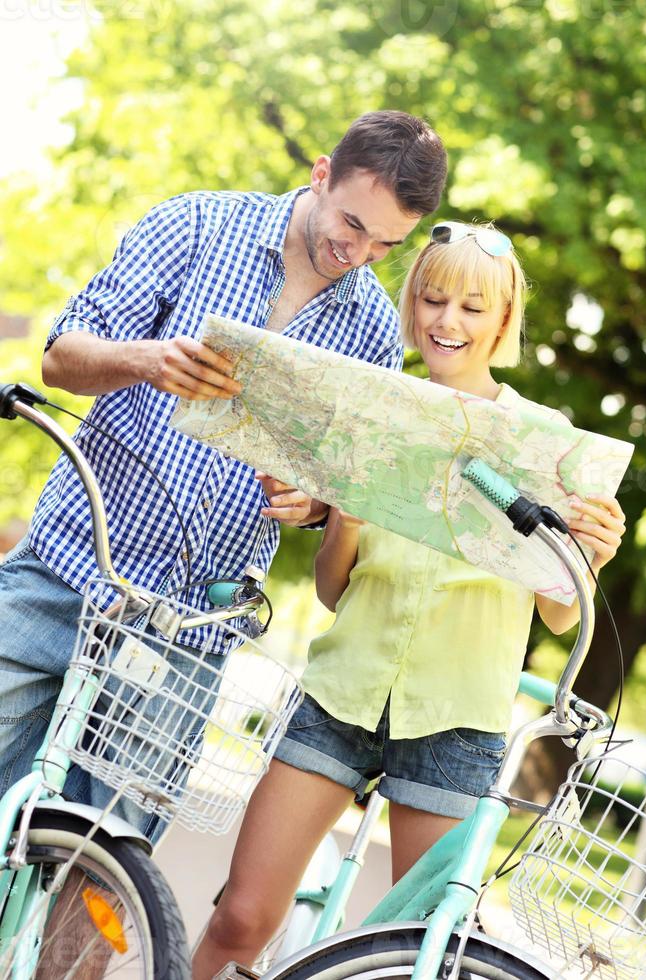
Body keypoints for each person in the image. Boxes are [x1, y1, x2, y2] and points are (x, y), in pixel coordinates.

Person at [192, 220, 626, 978]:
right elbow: (334, 591)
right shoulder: (373, 410)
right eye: (431, 300)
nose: (446, 322)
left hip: (455, 724)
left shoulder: (546, 441)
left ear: (504, 319)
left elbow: (561, 614)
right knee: (240, 916)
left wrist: (590, 549)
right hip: (340, 694)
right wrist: (346, 520)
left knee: (415, 956)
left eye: (471, 307)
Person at [0, 111, 448, 839]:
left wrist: (310, 506)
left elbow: (334, 497)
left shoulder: (371, 329)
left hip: (190, 634)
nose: (358, 252)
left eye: (385, 244)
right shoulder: (197, 225)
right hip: (68, 576)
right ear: (320, 174)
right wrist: (148, 360)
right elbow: (59, 358)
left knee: (103, 873)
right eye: (351, 223)